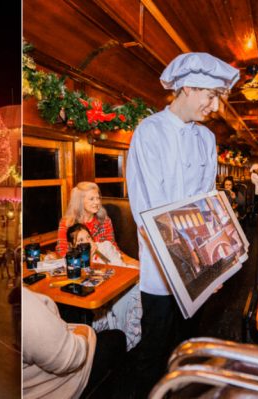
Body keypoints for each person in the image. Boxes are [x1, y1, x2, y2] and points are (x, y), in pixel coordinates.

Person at [126, 52, 239, 396]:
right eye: (211, 96)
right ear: (188, 88)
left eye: (218, 97)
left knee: (187, 344)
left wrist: (214, 264)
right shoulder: (149, 132)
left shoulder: (207, 138)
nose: (216, 107)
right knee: (154, 346)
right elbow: (151, 212)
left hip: (196, 264)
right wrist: (195, 263)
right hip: (161, 270)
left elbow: (207, 202)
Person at [23, 287, 126, 399]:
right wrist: (82, 333)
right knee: (117, 338)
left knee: (71, 313)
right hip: (59, 384)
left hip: (32, 379)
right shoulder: (26, 307)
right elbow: (71, 359)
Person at [68, 223, 142, 351]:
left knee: (132, 293)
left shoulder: (105, 247)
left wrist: (98, 255)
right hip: (99, 301)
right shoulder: (74, 261)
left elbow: (120, 271)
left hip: (120, 289)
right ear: (73, 246)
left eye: (88, 238)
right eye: (80, 240)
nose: (86, 242)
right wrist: (87, 261)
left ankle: (128, 341)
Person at [55, 182, 117, 257]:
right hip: (76, 265)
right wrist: (82, 256)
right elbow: (61, 251)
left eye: (98, 198)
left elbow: (113, 248)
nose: (97, 202)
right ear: (80, 202)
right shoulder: (67, 223)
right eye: (92, 199)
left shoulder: (105, 220)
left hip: (102, 265)